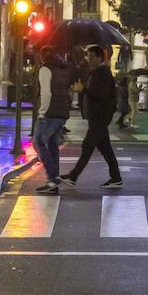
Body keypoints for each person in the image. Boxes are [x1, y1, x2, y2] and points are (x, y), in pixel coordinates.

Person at [62, 45, 123, 189]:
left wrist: (84, 90)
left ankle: (73, 176)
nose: (88, 59)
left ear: (99, 57)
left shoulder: (103, 72)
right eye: (87, 56)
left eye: (91, 56)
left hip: (100, 115)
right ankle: (116, 178)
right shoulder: (96, 71)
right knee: (105, 148)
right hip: (97, 115)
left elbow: (101, 94)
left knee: (88, 145)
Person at [34, 47, 75, 195]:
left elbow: (46, 93)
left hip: (50, 113)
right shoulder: (62, 69)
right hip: (62, 112)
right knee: (52, 145)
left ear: (43, 56)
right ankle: (52, 181)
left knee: (39, 142)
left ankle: (52, 177)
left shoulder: (45, 69)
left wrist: (42, 112)